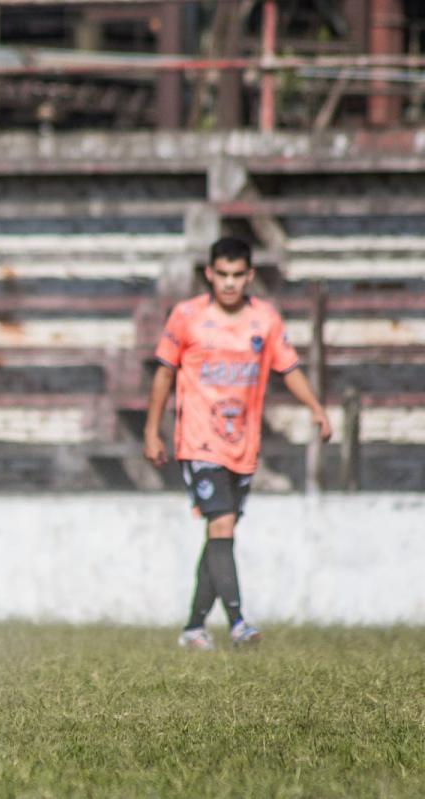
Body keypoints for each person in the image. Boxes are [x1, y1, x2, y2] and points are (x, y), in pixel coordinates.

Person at [143, 237, 331, 650]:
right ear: (209, 274)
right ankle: (238, 622)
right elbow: (163, 373)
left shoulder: (265, 320)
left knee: (220, 534)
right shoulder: (187, 316)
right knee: (222, 523)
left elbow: (290, 368)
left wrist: (316, 407)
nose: (229, 283)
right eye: (221, 274)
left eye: (237, 275)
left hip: (242, 445)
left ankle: (193, 628)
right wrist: (151, 428)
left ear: (249, 275)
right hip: (198, 443)